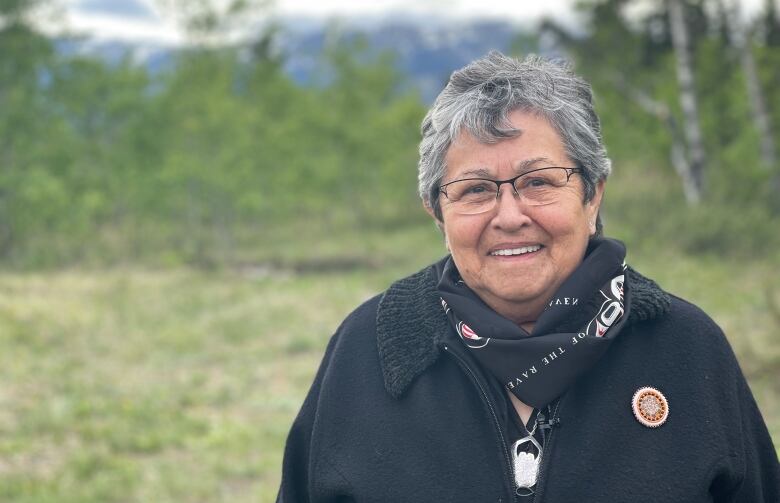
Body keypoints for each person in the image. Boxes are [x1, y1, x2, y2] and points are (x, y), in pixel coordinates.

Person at [277, 51, 779, 502]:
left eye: (538, 182)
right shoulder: (366, 349)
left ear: (593, 194)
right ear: (437, 211)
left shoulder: (685, 347)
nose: (510, 215)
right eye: (475, 190)